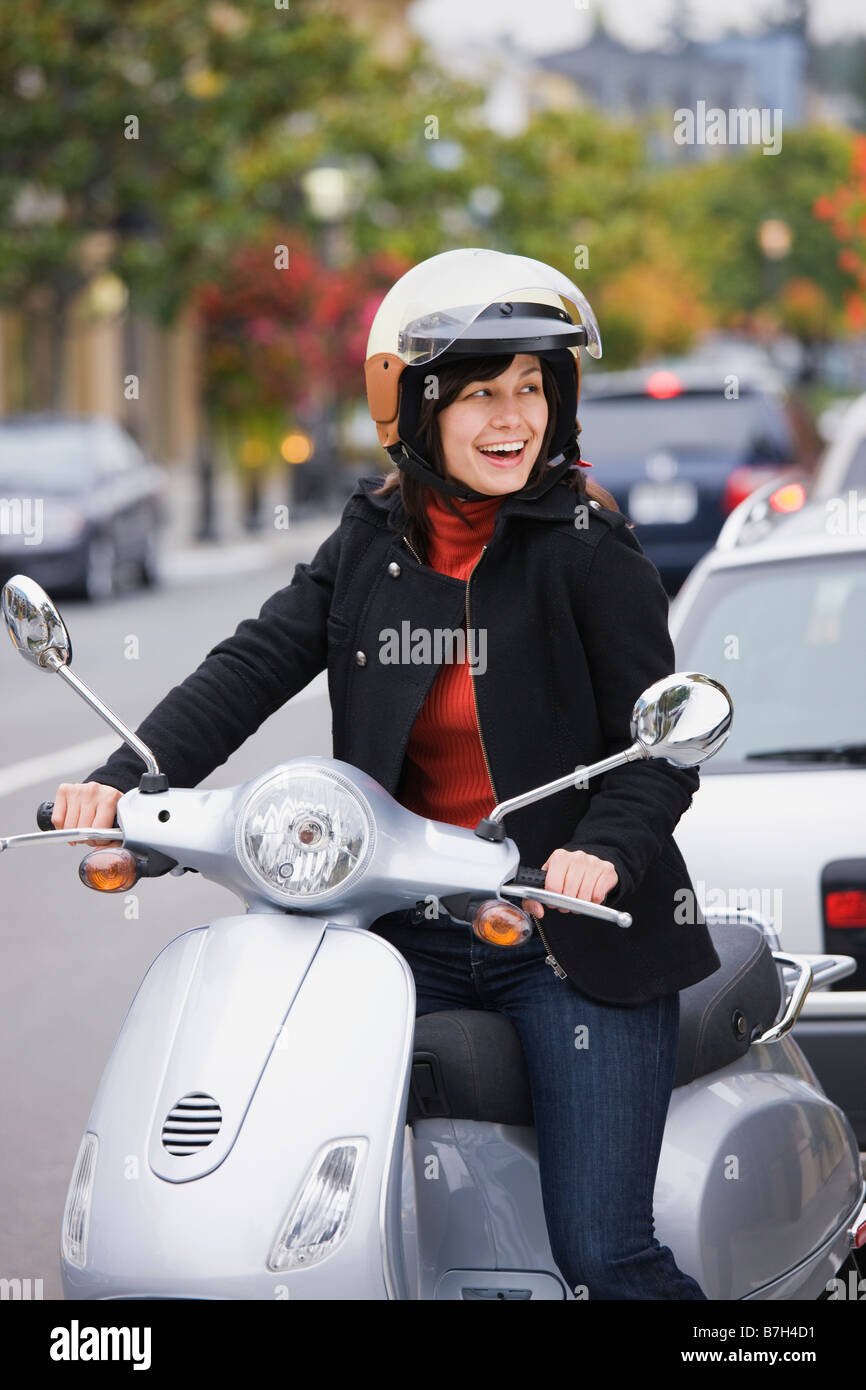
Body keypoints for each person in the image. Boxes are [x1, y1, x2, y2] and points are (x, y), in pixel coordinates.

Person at [51, 248, 720, 1299]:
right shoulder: (373, 539)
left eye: (530, 388)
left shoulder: (588, 549)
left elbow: (660, 748)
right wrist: (121, 785)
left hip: (563, 939)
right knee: (283, 1168)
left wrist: (596, 854)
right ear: (415, 409)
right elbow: (253, 662)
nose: (512, 419)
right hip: (397, 932)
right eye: (480, 394)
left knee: (600, 1250)